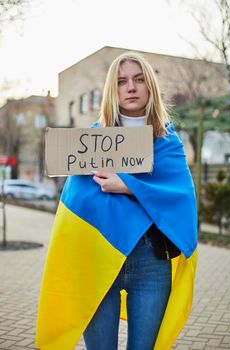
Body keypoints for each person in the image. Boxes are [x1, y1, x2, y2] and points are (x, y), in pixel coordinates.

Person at [36, 52, 198, 350]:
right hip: (96, 260)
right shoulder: (89, 143)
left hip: (151, 264)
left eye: (138, 79)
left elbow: (182, 199)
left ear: (150, 86)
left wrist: (129, 186)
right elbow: (76, 204)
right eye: (122, 81)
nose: (131, 87)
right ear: (114, 90)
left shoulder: (168, 142)